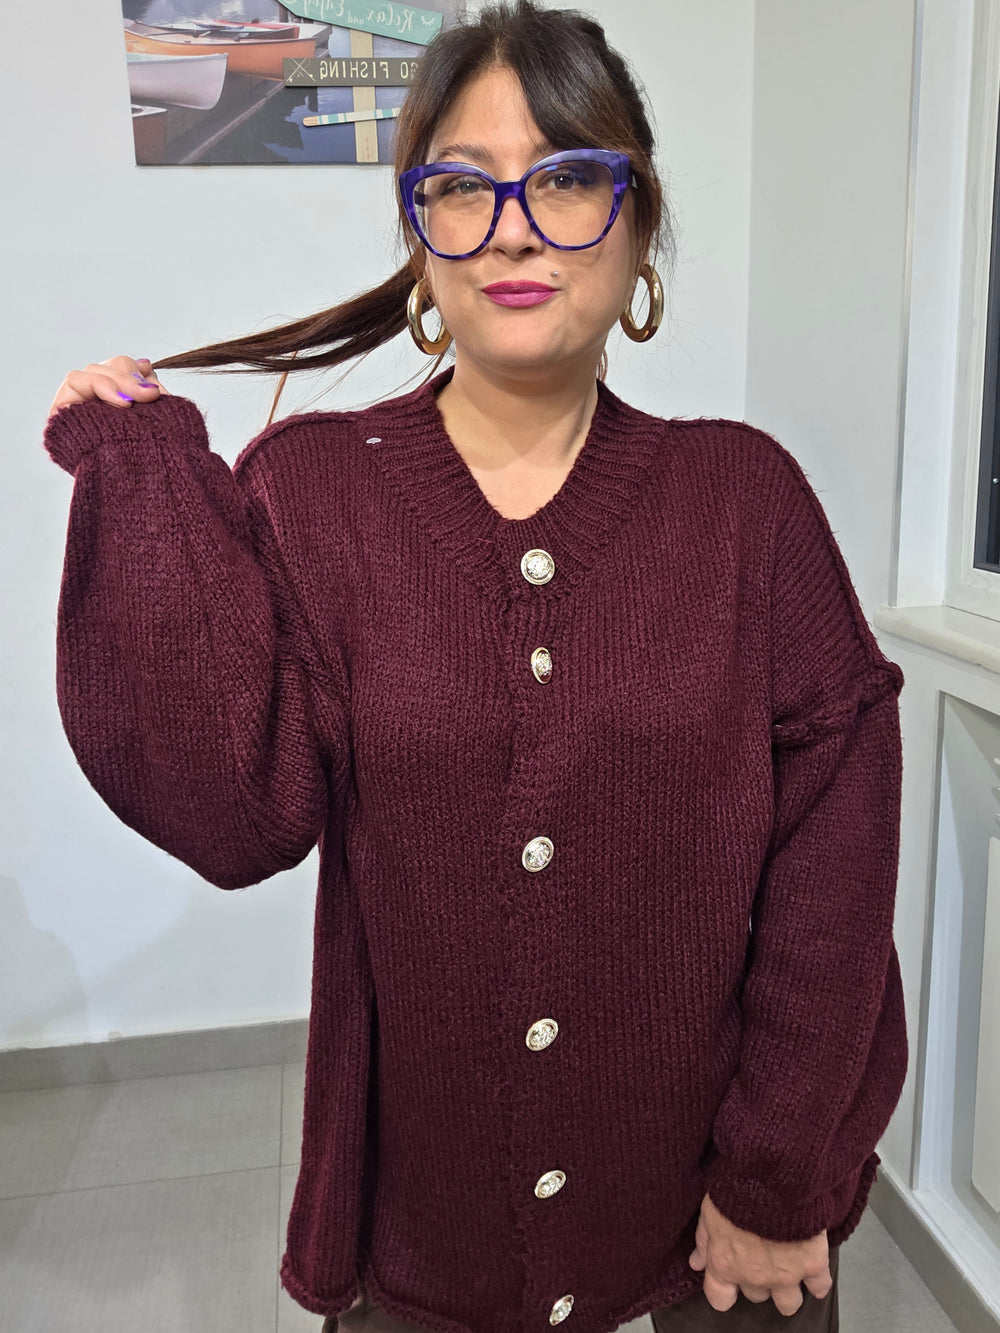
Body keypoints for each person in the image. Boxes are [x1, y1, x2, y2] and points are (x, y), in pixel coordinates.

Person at [43, 3, 907, 1331]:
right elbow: (233, 810)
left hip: (718, 1236)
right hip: (427, 1239)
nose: (512, 227)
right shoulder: (313, 493)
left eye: (566, 178)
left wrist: (777, 1176)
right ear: (418, 237)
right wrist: (143, 482)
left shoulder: (747, 502)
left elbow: (835, 873)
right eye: (460, 186)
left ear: (639, 223)